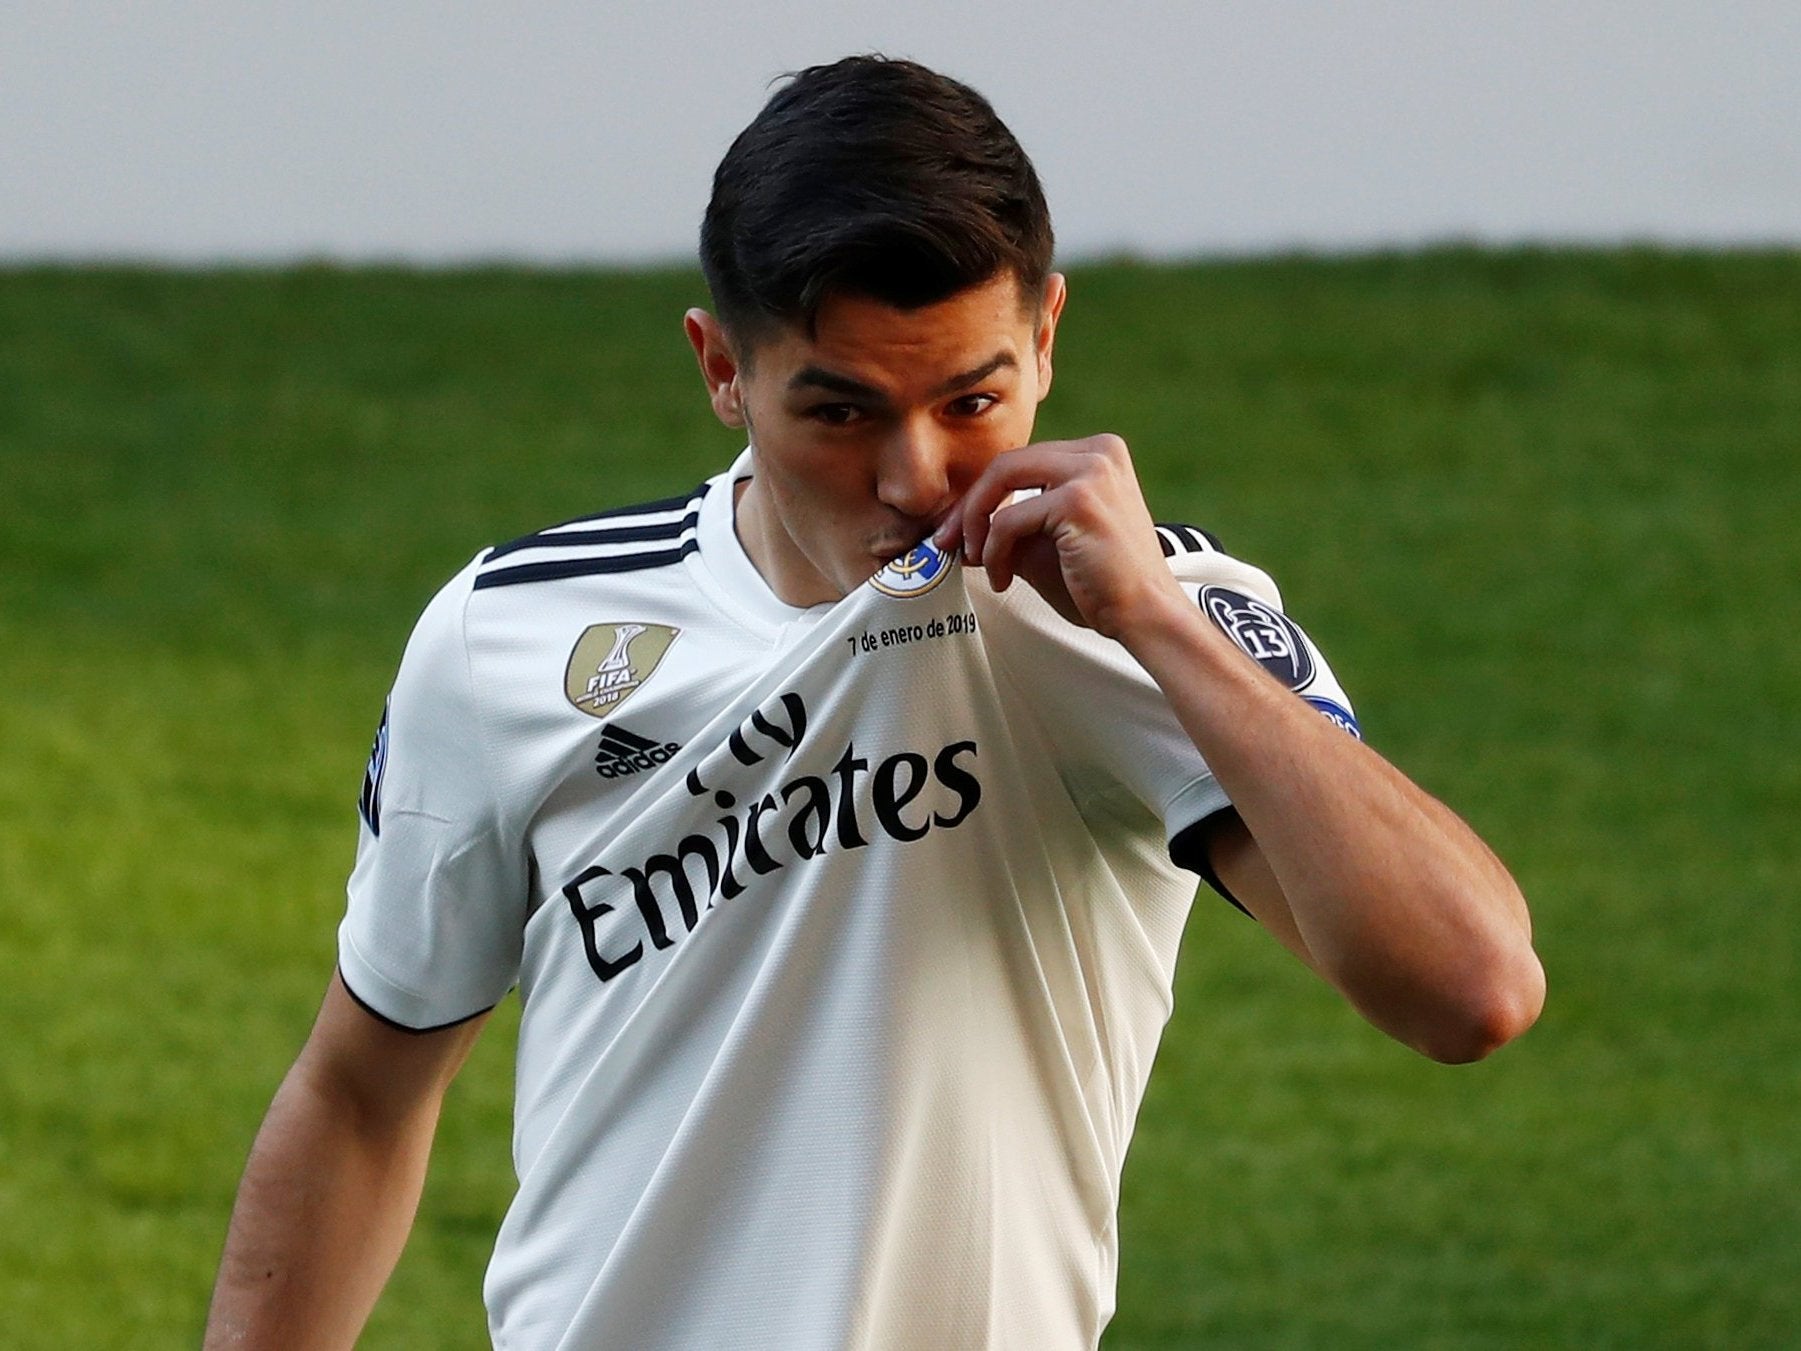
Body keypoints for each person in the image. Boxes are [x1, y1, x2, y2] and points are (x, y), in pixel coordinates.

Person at [205, 54, 1544, 1350]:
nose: (914, 476)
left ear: (1048, 335)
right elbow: (360, 1097)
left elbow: (1466, 990)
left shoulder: (1127, 625)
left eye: (974, 398)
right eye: (839, 413)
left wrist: (1153, 623)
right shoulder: (510, 638)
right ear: (720, 369)